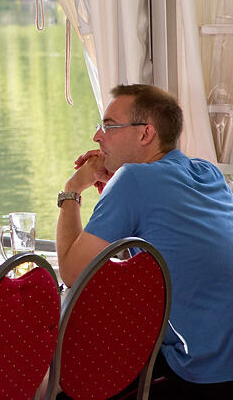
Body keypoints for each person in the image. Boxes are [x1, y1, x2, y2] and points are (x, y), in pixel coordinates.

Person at [57, 84, 233, 395]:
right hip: (225, 356)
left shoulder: (133, 180)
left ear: (145, 134)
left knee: (72, 384)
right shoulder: (208, 172)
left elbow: (72, 273)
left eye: (109, 126)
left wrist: (72, 190)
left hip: (203, 370)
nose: (97, 136)